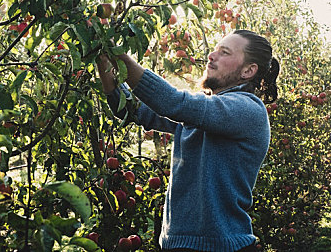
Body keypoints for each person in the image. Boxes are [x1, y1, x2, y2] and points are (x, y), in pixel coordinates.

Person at [96, 29, 280, 252]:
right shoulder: (203, 113)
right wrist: (103, 59)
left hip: (222, 248)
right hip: (178, 245)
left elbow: (172, 102)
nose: (212, 56)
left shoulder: (248, 110)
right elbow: (133, 110)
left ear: (248, 70)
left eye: (225, 52)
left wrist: (116, 52)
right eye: (215, 49)